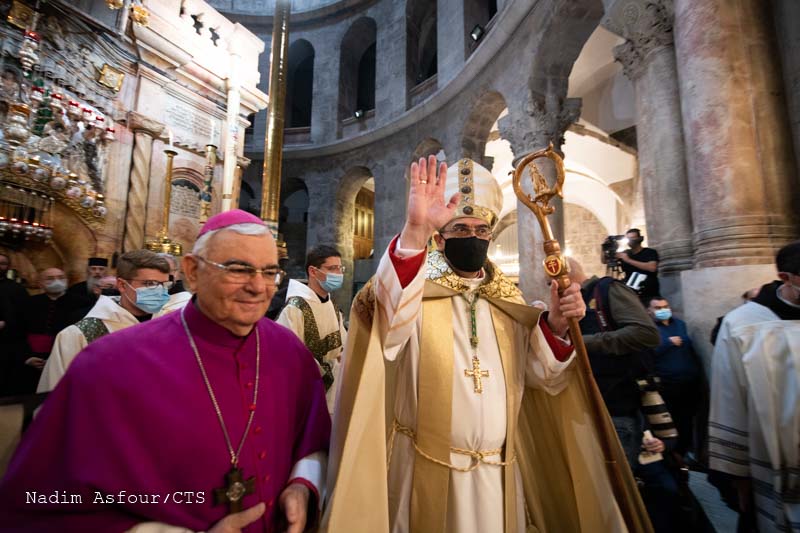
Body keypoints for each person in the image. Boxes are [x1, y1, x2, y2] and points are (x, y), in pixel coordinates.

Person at [323, 156, 650, 532]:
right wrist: (414, 231)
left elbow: (538, 377)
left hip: (499, 475)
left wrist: (557, 328)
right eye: (460, 228)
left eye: (482, 229)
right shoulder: (411, 291)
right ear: (439, 236)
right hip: (423, 469)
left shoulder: (507, 300)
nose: (473, 237)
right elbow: (386, 326)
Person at [0, 210, 331, 532]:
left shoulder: (289, 352)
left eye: (270, 272)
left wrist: (302, 484)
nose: (259, 287)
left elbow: (312, 435)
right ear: (192, 271)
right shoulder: (107, 364)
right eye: (238, 270)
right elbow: (40, 498)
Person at [708, 240, 800, 533]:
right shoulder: (744, 324)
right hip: (779, 466)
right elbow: (729, 398)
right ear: (785, 278)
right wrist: (738, 477)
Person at [37, 250, 191, 393]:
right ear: (122, 285)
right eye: (149, 284)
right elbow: (53, 398)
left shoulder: (172, 329)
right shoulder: (79, 335)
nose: (159, 291)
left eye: (164, 284)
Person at [567, 257, 661, 467]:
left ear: (566, 277)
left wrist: (583, 343)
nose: (551, 290)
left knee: (617, 480)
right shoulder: (581, 299)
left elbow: (646, 334)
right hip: (592, 408)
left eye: (550, 283)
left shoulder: (608, 290)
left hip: (618, 409)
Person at [276, 245, 346, 414]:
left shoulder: (333, 307)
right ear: (313, 272)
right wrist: (326, 373)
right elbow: (286, 357)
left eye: (340, 268)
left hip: (333, 395)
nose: (338, 273)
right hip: (305, 397)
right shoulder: (295, 309)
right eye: (332, 268)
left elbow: (343, 347)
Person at [646, 296, 703, 459]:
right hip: (667, 384)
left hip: (688, 383)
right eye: (658, 308)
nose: (663, 310)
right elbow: (648, 352)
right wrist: (667, 343)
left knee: (687, 421)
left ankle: (684, 453)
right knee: (671, 422)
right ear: (649, 311)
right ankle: (672, 456)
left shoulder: (680, 325)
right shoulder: (649, 329)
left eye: (665, 306)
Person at [15, 268, 77, 394]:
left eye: (61, 277)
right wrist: (27, 357)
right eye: (50, 278)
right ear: (40, 283)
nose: (56, 281)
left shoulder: (80, 303)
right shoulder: (27, 303)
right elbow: (16, 334)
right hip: (31, 360)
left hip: (64, 361)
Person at [0, 252, 30, 396]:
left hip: (8, 345)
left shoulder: (17, 289)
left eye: (2, 264)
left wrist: (7, 324)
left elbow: (24, 317)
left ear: (8, 267)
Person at [616, 228, 660, 302]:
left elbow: (652, 267)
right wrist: (605, 246)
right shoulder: (625, 253)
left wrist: (628, 260)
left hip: (650, 294)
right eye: (628, 238)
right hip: (632, 294)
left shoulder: (650, 252)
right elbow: (606, 259)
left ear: (640, 239)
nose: (630, 241)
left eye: (633, 238)